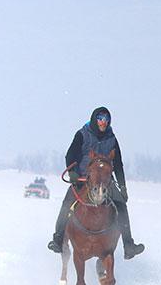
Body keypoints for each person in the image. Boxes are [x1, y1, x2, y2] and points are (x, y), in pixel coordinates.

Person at [47, 107, 145, 260]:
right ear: (94, 119)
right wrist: (73, 172)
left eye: (106, 119)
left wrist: (123, 186)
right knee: (67, 204)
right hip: (83, 180)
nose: (103, 122)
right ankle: (58, 239)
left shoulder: (111, 138)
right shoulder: (82, 134)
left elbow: (118, 164)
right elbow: (70, 155)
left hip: (106, 182)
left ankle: (128, 245)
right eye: (100, 119)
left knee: (121, 206)